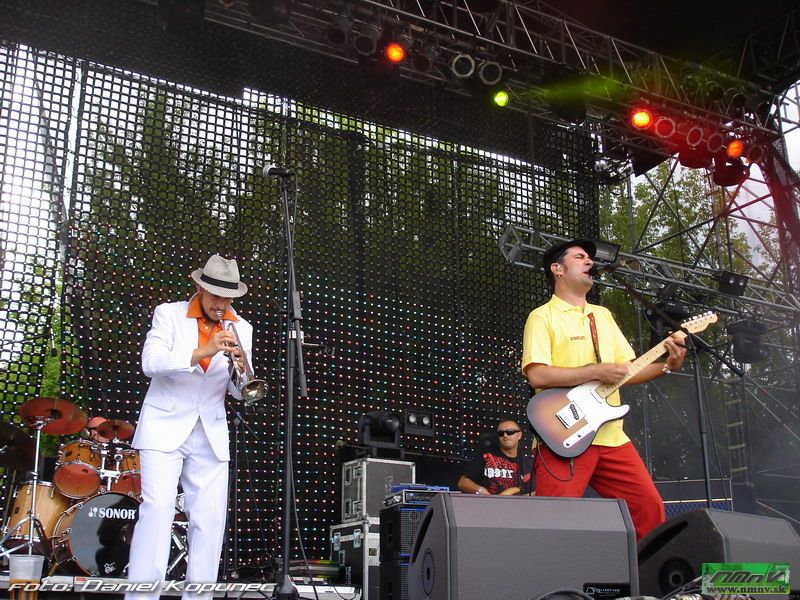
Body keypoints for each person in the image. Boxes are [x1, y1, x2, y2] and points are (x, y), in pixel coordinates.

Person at [521, 239, 687, 540]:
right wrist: (595, 371)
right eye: (580, 257)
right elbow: (538, 375)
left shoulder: (603, 315)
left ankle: (645, 571)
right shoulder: (542, 316)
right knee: (556, 523)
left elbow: (627, 371)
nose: (590, 262)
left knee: (649, 510)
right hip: (563, 435)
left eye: (590, 258)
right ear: (557, 269)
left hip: (611, 437)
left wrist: (667, 366)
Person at [125, 254, 253, 599]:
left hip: (210, 432)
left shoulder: (242, 328)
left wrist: (241, 370)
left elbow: (239, 392)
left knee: (209, 522)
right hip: (163, 426)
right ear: (198, 286)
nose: (221, 304)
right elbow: (151, 363)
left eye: (228, 298)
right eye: (216, 295)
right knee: (157, 511)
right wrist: (203, 350)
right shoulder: (168, 314)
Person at [457, 417, 534, 495]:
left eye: (510, 432)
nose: (505, 435)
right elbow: (462, 483)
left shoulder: (527, 463)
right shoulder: (486, 456)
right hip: (486, 501)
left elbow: (532, 492)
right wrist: (481, 491)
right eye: (501, 433)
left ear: (519, 435)